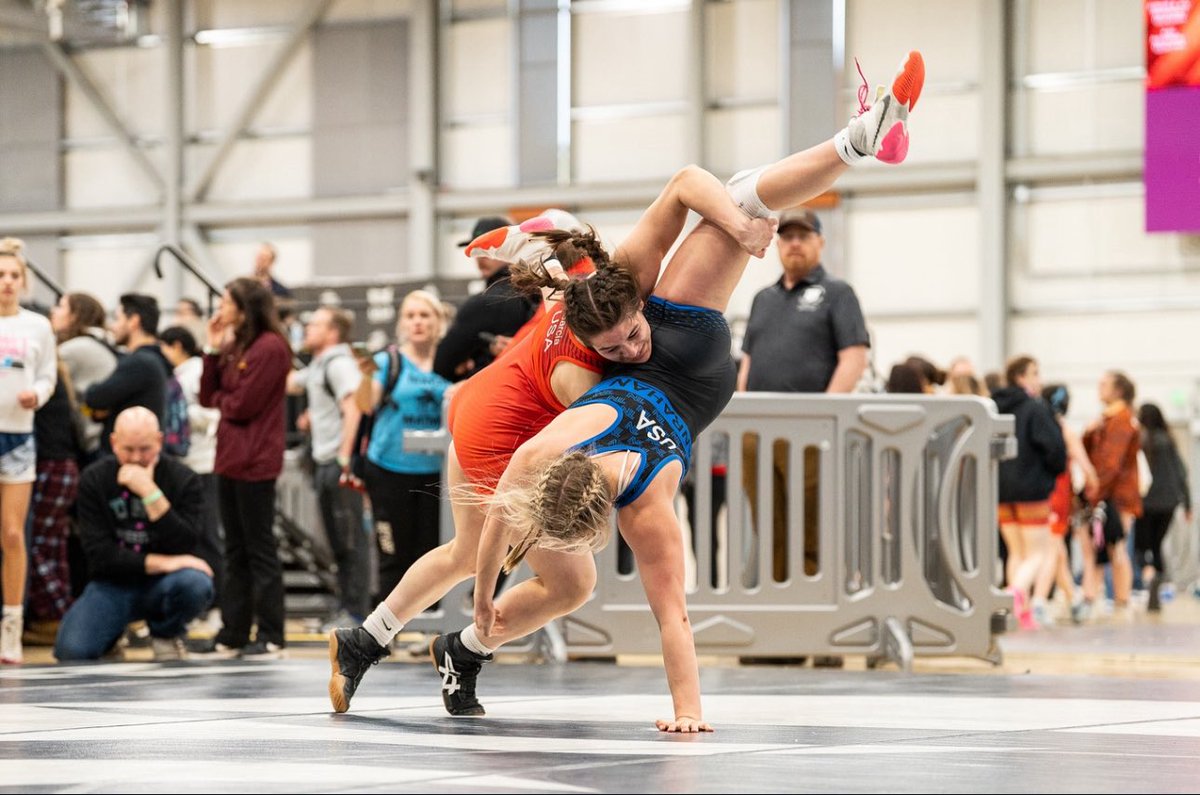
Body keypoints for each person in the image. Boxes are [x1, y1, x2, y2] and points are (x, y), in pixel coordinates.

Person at [436, 53, 924, 731]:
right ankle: (857, 141)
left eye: (623, 334)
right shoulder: (578, 439)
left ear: (602, 525)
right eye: (614, 344)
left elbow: (674, 615)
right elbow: (516, 488)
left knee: (747, 198)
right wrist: (482, 591)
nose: (623, 346)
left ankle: (861, 139)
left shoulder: (641, 507)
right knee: (745, 197)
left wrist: (687, 711)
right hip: (680, 344)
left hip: (687, 354)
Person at [328, 228, 606, 710]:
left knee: (465, 550)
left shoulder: (573, 297)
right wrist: (483, 597)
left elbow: (541, 256)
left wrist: (509, 238)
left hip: (476, 411)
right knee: (572, 583)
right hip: (501, 439)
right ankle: (465, 651)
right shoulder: (589, 365)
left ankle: (363, 640)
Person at [738, 208, 869, 603]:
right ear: (777, 244)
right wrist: (743, 412)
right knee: (770, 526)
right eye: (787, 236)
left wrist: (825, 416)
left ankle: (818, 615)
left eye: (804, 235)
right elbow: (748, 360)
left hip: (812, 433)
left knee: (814, 523)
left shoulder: (837, 294)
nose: (794, 242)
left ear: (820, 242)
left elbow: (854, 356)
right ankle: (783, 620)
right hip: (758, 433)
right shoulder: (763, 299)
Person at [53, 408, 211, 661]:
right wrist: (168, 562)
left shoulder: (184, 479)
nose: (137, 459)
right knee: (72, 651)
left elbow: (186, 541)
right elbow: (100, 555)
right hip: (113, 583)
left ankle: (165, 633)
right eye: (128, 450)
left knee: (196, 583)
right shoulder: (94, 479)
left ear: (159, 441)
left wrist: (150, 492)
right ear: (114, 442)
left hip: (164, 584)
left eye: (145, 449)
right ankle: (112, 636)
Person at [195, 278, 292, 659]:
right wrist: (210, 348)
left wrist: (224, 397)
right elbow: (208, 397)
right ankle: (232, 633)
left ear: (243, 306)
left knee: (259, 547)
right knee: (234, 549)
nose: (220, 306)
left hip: (256, 461)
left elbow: (241, 406)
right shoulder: (235, 344)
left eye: (225, 300)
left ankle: (271, 634)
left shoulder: (270, 347)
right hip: (230, 457)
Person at [350, 291, 450, 606]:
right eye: (410, 315)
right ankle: (385, 630)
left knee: (435, 554)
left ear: (438, 322)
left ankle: (431, 624)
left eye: (425, 315)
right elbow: (365, 405)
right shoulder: (387, 362)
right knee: (392, 553)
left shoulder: (453, 362)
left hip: (439, 473)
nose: (417, 322)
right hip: (389, 470)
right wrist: (365, 376)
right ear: (401, 323)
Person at [288, 307, 368, 627]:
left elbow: (353, 408)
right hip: (325, 460)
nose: (308, 328)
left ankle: (356, 612)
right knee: (337, 541)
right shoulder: (321, 364)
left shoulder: (338, 363)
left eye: (315, 324)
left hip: (337, 461)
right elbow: (291, 383)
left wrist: (344, 457)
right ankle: (345, 608)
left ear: (333, 332)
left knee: (350, 540)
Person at [0, 238, 58, 664]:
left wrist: (37, 394)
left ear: (24, 281)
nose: (6, 282)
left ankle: (12, 626)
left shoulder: (38, 326)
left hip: (19, 437)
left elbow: (49, 375)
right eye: (0, 275)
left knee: (13, 534)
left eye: (13, 276)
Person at [991, 355, 1066, 629]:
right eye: (1034, 373)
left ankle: (1020, 613)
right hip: (1032, 489)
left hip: (1001, 489)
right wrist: (1052, 471)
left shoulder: (993, 406)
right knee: (1038, 553)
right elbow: (1055, 450)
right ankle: (1015, 596)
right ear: (1021, 377)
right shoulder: (1035, 409)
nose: (1039, 379)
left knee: (1016, 552)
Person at [158, 326, 223, 613]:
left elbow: (215, 413)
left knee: (208, 534)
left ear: (176, 345)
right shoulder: (178, 375)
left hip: (204, 462)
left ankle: (216, 603)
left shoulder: (196, 371)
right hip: (186, 464)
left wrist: (184, 414)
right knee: (193, 533)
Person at [433, 216, 537, 382]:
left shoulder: (484, 303)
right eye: (476, 249)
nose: (481, 256)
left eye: (489, 248)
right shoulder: (542, 293)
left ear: (513, 249)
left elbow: (441, 365)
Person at [1081, 370, 1141, 615]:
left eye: (1104, 384)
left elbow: (1111, 463)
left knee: (1116, 546)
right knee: (1104, 547)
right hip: (1106, 493)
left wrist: (1094, 491)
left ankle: (1122, 599)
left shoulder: (1121, 419)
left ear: (1118, 390)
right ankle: (1105, 597)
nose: (1099, 387)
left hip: (1118, 496)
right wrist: (1088, 432)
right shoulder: (1105, 419)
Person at [83, 294, 172, 455]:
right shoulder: (151, 360)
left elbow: (94, 397)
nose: (113, 327)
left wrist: (98, 400)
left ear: (134, 321)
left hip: (129, 456)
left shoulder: (140, 363)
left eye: (118, 319)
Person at [1038, 384, 1097, 624]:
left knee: (1056, 548)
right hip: (1058, 494)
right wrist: (1092, 484)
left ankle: (1073, 598)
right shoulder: (1063, 430)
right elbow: (1086, 467)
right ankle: (1039, 601)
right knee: (1053, 547)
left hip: (1041, 492)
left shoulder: (1039, 426)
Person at [1135, 402, 1191, 611]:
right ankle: (1159, 581)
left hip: (1145, 502)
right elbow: (1181, 474)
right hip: (1168, 503)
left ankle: (1148, 576)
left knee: (1142, 546)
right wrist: (1187, 504)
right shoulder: (1168, 441)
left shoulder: (1141, 441)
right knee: (1158, 545)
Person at [49, 292, 118, 461]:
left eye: (61, 306)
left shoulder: (75, 348)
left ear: (75, 315)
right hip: (103, 436)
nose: (53, 311)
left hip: (93, 441)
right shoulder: (100, 341)